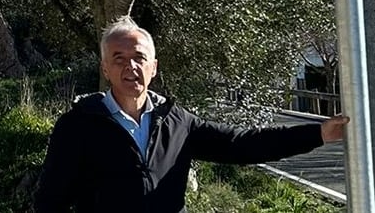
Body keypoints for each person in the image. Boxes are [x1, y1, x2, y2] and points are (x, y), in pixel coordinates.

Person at [32, 16, 348, 213]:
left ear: (153, 68)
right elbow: (50, 201)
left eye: (139, 58)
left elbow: (242, 144)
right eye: (119, 58)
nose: (131, 67)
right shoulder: (78, 125)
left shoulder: (176, 121)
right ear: (105, 68)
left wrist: (318, 134)